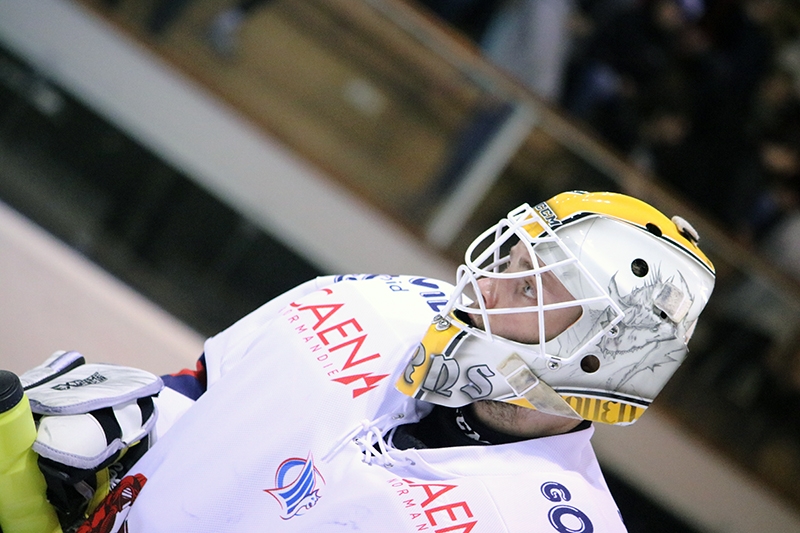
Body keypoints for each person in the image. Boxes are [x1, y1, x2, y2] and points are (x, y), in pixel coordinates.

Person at [34, 191, 714, 532]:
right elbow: (208, 388)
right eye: (510, 260)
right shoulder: (371, 304)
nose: (483, 287)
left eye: (531, 288)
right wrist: (133, 418)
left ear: (601, 355)